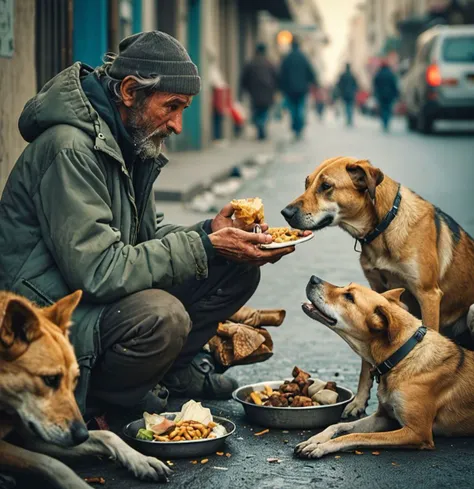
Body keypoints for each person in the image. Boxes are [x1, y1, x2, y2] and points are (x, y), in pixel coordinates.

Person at [0, 31, 295, 419]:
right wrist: (207, 246)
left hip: (94, 292)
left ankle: (171, 374)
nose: (176, 124)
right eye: (171, 107)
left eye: (183, 110)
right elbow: (99, 271)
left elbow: (148, 238)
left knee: (235, 270)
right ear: (128, 91)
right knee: (163, 316)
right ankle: (102, 402)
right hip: (52, 313)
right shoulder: (71, 148)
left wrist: (210, 233)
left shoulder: (129, 140)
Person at [278, 38, 317, 140]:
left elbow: (281, 74)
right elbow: (310, 72)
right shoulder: (303, 57)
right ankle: (299, 127)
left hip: (289, 90)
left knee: (293, 110)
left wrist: (281, 87)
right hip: (302, 89)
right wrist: (314, 82)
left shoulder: (287, 58)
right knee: (300, 109)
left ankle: (295, 127)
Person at [240, 43, 278, 140]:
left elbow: (244, 79)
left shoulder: (251, 63)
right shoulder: (270, 64)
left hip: (254, 94)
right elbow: (276, 78)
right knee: (264, 112)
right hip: (267, 93)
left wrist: (244, 90)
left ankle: (260, 127)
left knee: (257, 112)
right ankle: (262, 127)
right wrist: (275, 91)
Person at [373, 60, 399, 132]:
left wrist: (375, 94)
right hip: (389, 95)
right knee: (388, 109)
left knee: (383, 109)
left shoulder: (378, 74)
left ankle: (384, 123)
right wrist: (396, 94)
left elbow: (375, 85)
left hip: (381, 95)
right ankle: (386, 123)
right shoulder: (391, 74)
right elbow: (394, 85)